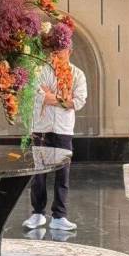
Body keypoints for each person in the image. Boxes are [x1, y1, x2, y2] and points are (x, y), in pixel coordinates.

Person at [23, 46, 88, 232]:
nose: (56, 54)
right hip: (41, 128)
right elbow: (38, 96)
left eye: (61, 50)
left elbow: (78, 102)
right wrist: (64, 99)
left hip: (64, 130)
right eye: (54, 50)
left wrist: (51, 96)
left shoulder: (78, 74)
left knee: (63, 174)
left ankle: (59, 216)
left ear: (70, 51)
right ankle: (38, 214)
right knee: (38, 173)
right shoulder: (41, 71)